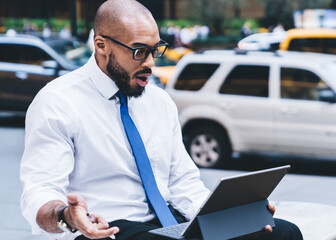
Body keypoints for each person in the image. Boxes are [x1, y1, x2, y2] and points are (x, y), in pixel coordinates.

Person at [20, 1, 303, 240]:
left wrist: (231, 217)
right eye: (139, 51)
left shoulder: (158, 101)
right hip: (108, 228)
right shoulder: (57, 101)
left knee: (283, 233)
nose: (151, 63)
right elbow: (39, 191)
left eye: (156, 50)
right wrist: (64, 215)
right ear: (101, 45)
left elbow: (183, 183)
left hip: (167, 224)